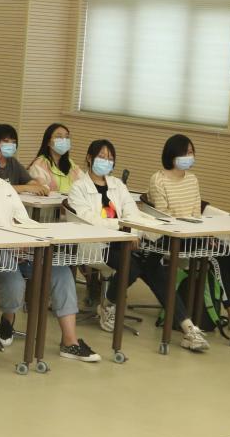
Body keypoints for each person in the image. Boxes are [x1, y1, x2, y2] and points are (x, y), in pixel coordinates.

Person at [0, 135, 100, 363]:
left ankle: (70, 342)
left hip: (19, 249)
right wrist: (10, 241)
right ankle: (8, 319)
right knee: (15, 281)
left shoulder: (4, 186)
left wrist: (32, 238)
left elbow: (23, 219)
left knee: (61, 273)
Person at [69, 139, 207, 351]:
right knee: (136, 266)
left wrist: (131, 231)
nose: (106, 161)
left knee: (152, 267)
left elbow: (132, 213)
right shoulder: (78, 187)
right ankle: (109, 304)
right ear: (89, 158)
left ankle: (188, 328)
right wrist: (124, 228)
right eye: (102, 157)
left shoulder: (117, 185)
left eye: (110, 158)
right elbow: (90, 219)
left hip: (126, 241)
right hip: (98, 243)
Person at [146, 133, 230, 333]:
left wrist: (205, 234)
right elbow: (164, 216)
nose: (189, 156)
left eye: (191, 152)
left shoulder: (192, 180)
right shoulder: (158, 179)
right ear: (172, 154)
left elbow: (196, 214)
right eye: (185, 152)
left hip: (193, 234)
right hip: (172, 236)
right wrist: (193, 231)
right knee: (215, 258)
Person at [0, 124, 49, 196]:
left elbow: (29, 181)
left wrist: (39, 187)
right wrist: (26, 188)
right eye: (6, 141)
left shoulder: (13, 162)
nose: (10, 145)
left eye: (13, 142)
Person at [29, 123, 76, 193]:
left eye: (67, 137)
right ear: (48, 142)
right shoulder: (39, 165)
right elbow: (41, 189)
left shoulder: (70, 163)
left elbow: (83, 184)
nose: (64, 140)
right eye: (59, 137)